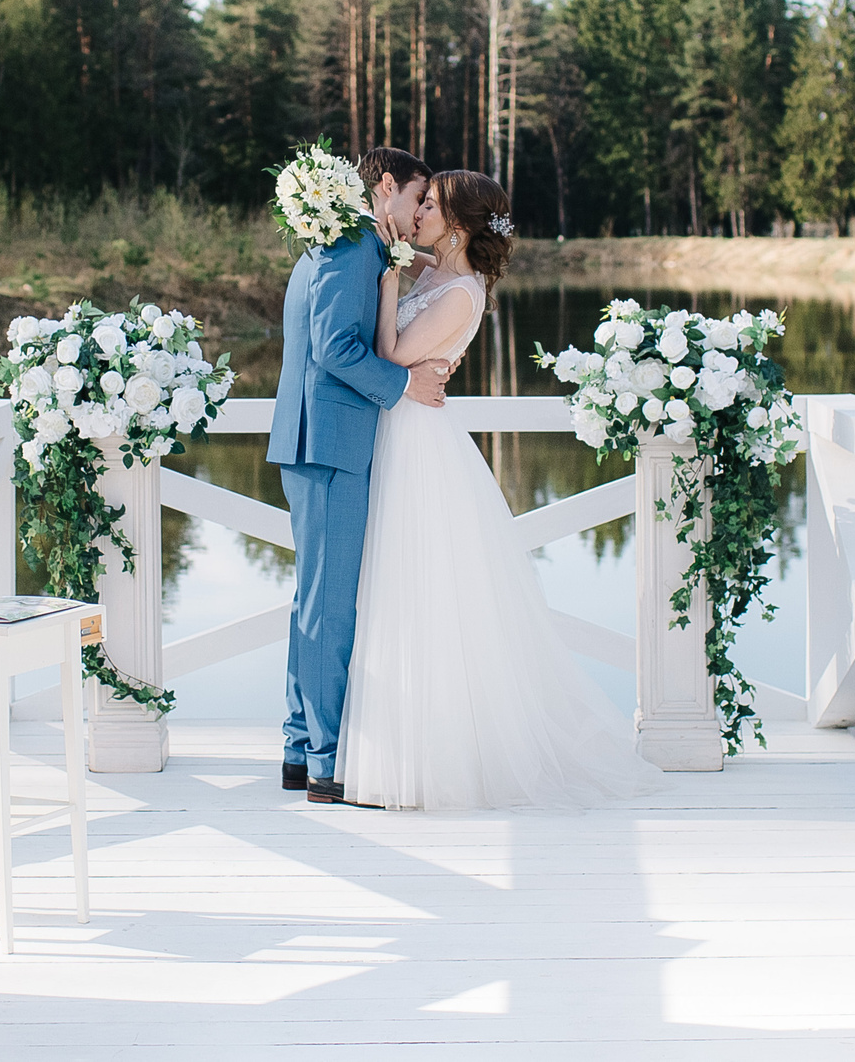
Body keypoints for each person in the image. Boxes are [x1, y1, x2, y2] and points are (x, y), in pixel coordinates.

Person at [339, 169, 661, 809]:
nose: (420, 210)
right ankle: (392, 751)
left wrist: (384, 282)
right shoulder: (432, 268)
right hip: (400, 435)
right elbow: (399, 251)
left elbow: (391, 350)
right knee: (399, 587)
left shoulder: (459, 291)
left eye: (430, 204)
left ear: (457, 224)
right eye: (421, 200)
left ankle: (432, 760)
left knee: (424, 593)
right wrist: (389, 248)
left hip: (420, 449)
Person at [266, 146, 454, 805]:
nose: (415, 212)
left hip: (324, 442)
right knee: (328, 608)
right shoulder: (350, 247)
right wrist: (405, 383)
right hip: (329, 444)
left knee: (315, 602)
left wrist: (432, 259)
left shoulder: (358, 244)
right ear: (384, 188)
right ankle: (324, 759)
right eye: (415, 197)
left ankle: (300, 745)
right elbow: (334, 346)